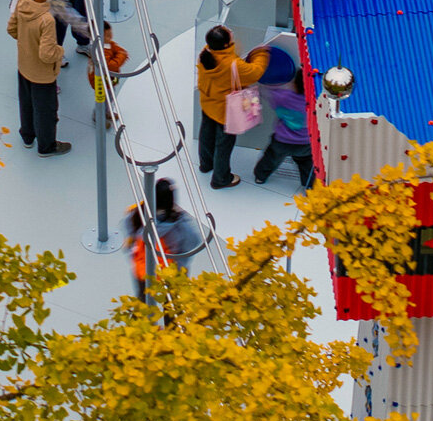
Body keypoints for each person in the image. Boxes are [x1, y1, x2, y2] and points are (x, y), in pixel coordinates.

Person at [194, 26, 271, 189]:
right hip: (225, 112)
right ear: (225, 45)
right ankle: (220, 179)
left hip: (208, 103)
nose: (231, 33)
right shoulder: (232, 64)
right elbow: (256, 72)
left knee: (206, 135)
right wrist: (261, 53)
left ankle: (206, 164)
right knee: (223, 146)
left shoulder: (205, 53)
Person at [10, 0, 70, 156]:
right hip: (42, 74)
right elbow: (47, 54)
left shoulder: (23, 2)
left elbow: (12, 28)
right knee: (46, 111)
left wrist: (27, 42)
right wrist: (60, 51)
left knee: (26, 103)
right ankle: (46, 146)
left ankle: (27, 136)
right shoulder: (46, 20)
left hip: (24, 65)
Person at [126, 178, 205, 300]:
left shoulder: (137, 214)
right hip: (171, 273)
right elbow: (193, 242)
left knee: (143, 298)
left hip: (143, 269)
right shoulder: (180, 227)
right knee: (173, 304)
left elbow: (130, 236)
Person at [252, 70, 316, 188]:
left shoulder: (283, 97)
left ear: (294, 84)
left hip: (282, 140)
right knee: (306, 164)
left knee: (271, 159)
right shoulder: (315, 102)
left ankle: (260, 176)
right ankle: (309, 187)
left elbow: (265, 91)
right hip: (305, 142)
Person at [88, 21, 129, 126]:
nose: (110, 38)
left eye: (110, 34)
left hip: (107, 79)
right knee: (102, 98)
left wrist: (120, 54)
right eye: (107, 36)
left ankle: (106, 111)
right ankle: (98, 115)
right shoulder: (99, 51)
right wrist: (121, 56)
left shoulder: (107, 44)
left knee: (109, 96)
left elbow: (117, 49)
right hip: (101, 81)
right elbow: (111, 65)